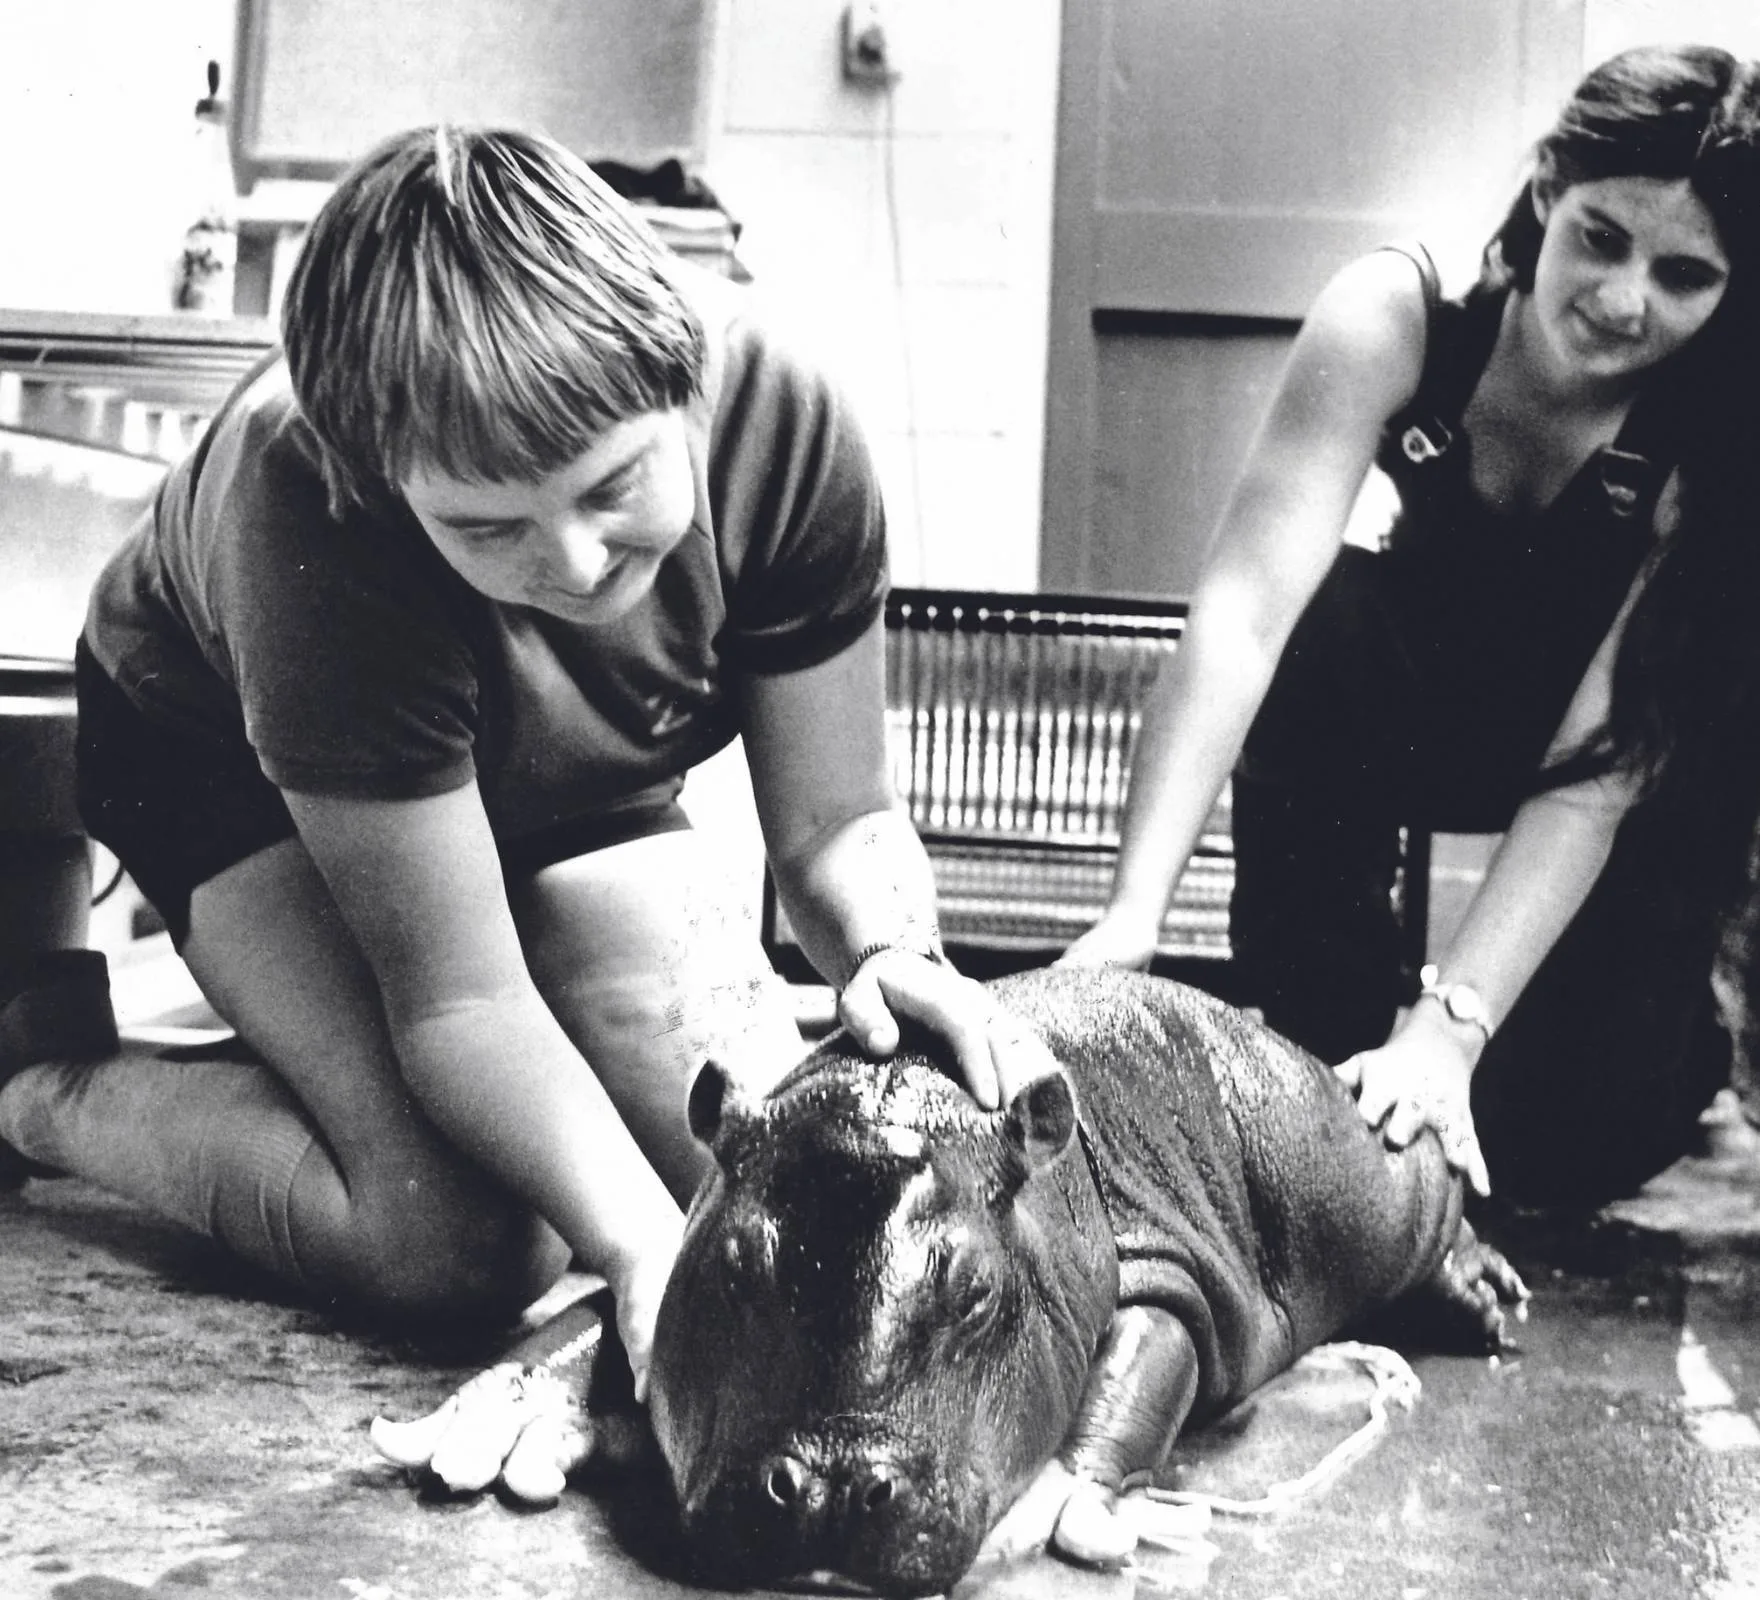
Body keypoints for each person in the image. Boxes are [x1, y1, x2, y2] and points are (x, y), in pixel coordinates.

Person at [0, 128, 1045, 1402]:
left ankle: (304, 1061)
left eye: (614, 487)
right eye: (488, 525)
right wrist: (639, 1255)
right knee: (454, 1238)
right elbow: (461, 1000)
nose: (579, 564)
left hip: (556, 767)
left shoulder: (784, 419)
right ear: (382, 483)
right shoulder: (305, 508)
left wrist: (891, 949)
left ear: (686, 385)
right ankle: (45, 1082)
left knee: (748, 1166)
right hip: (215, 751)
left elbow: (832, 824)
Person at [1063, 45, 1760, 1211]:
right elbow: (1241, 616)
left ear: (1737, 286)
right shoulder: (1403, 316)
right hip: (1457, 696)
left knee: (1543, 1156)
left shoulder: (1726, 431)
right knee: (1324, 615)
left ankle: (1670, 1044)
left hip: (1630, 759)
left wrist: (1451, 1028)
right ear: (1547, 193)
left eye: (1685, 274)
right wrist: (1131, 917)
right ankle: (1316, 1022)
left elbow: (1604, 767)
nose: (1626, 300)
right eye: (1600, 237)